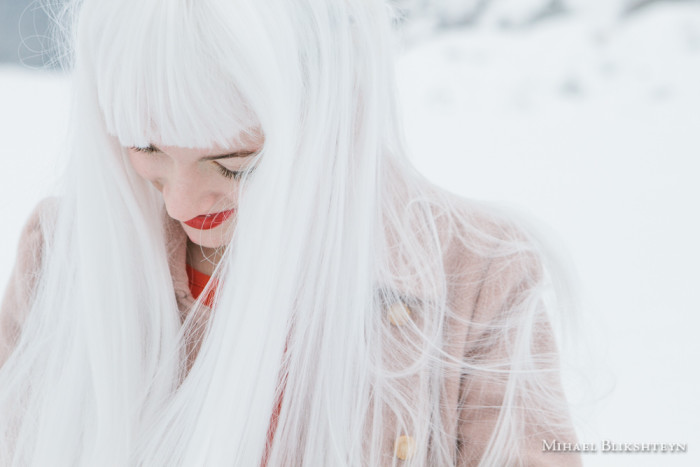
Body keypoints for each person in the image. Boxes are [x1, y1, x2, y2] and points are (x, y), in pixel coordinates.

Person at [0, 0, 581, 465]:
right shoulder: (57, 257)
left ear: (324, 109)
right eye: (145, 149)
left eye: (233, 161)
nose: (181, 202)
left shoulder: (473, 276)